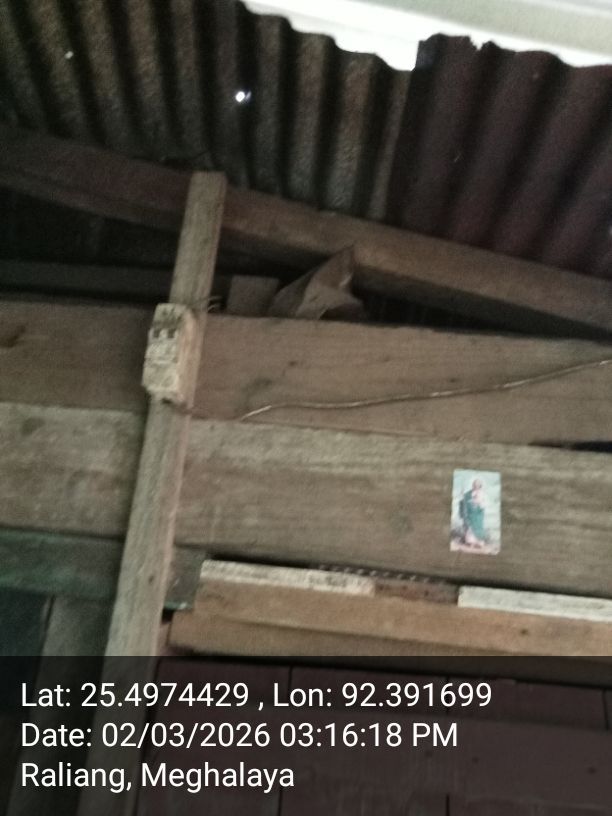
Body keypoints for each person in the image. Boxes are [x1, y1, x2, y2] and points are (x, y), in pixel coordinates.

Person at [459, 479, 486, 547]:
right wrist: (463, 496)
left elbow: (482, 504)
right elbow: (465, 499)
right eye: (474, 485)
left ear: (479, 486)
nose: (475, 486)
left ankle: (478, 542)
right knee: (470, 528)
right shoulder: (469, 493)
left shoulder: (481, 493)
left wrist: (479, 504)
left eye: (477, 485)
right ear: (472, 485)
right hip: (471, 513)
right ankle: (471, 542)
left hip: (478, 513)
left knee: (478, 527)